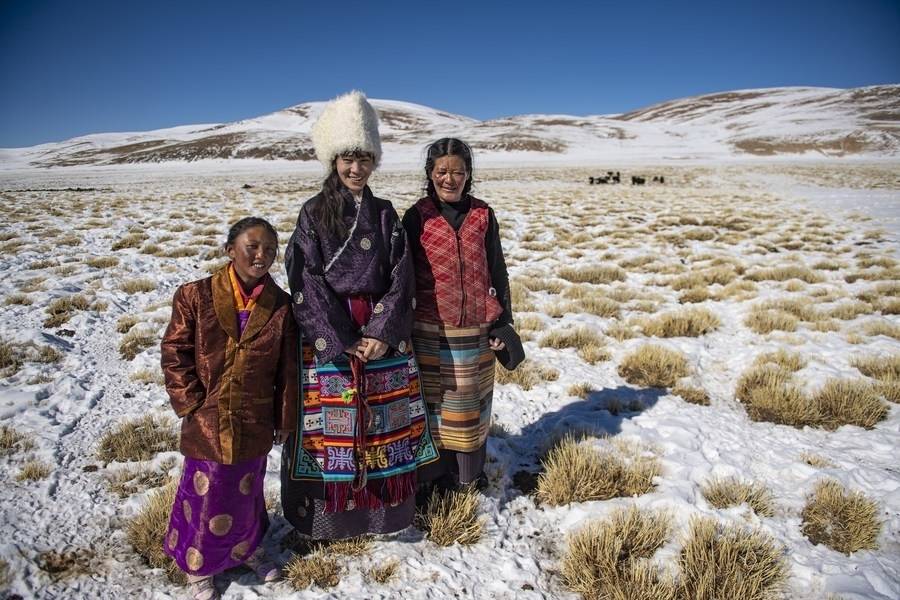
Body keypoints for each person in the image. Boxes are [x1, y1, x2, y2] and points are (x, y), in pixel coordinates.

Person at [281, 90, 438, 540]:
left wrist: (380, 332)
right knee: (333, 430)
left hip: (380, 335)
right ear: (334, 160)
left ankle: (386, 517)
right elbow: (305, 280)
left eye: (365, 159)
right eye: (348, 158)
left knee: (386, 425)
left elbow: (401, 277)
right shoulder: (312, 213)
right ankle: (329, 521)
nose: (356, 169)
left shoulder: (385, 214)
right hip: (331, 335)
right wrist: (344, 336)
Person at [160, 217, 296, 600]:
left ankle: (247, 549)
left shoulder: (280, 305)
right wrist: (189, 400)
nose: (262, 255)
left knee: (247, 486)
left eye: (270, 249)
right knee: (207, 488)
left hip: (255, 415)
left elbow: (288, 368)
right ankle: (197, 563)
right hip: (208, 414)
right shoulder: (195, 295)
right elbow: (175, 350)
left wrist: (285, 418)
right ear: (229, 249)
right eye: (252, 246)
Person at [402, 138, 524, 494]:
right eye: (442, 171)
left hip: (474, 328)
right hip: (427, 328)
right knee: (431, 408)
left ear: (469, 174)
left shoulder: (483, 214)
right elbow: (403, 273)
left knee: (470, 408)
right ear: (430, 173)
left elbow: (496, 269)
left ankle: (467, 480)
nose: (450, 179)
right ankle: (430, 482)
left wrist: (504, 319)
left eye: (458, 171)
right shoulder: (416, 215)